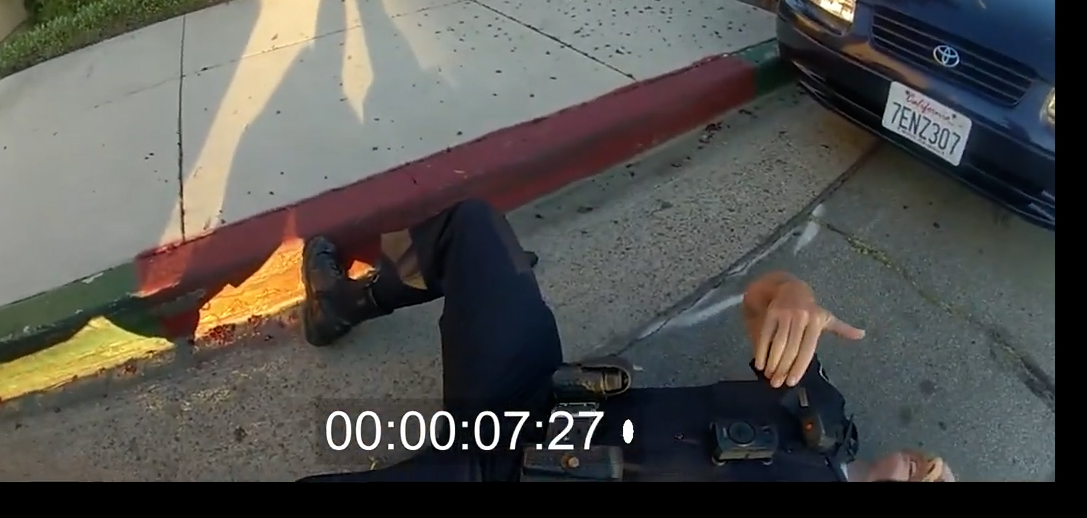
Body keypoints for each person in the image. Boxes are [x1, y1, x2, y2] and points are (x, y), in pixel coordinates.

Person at [297, 198, 954, 482]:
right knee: (475, 231)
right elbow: (761, 307)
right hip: (534, 403)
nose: (929, 473)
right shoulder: (825, 417)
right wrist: (790, 291)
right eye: (939, 470)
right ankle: (340, 302)